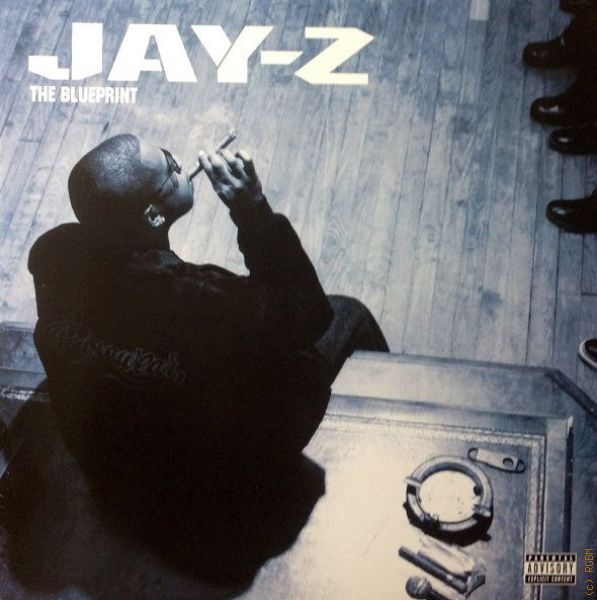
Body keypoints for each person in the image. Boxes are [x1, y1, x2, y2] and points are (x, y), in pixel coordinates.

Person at [28, 133, 388, 494]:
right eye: (170, 167)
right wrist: (253, 211)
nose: (179, 163)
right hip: (207, 480)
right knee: (350, 313)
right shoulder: (197, 298)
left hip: (116, 468)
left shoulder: (51, 256)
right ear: (154, 215)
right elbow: (309, 317)